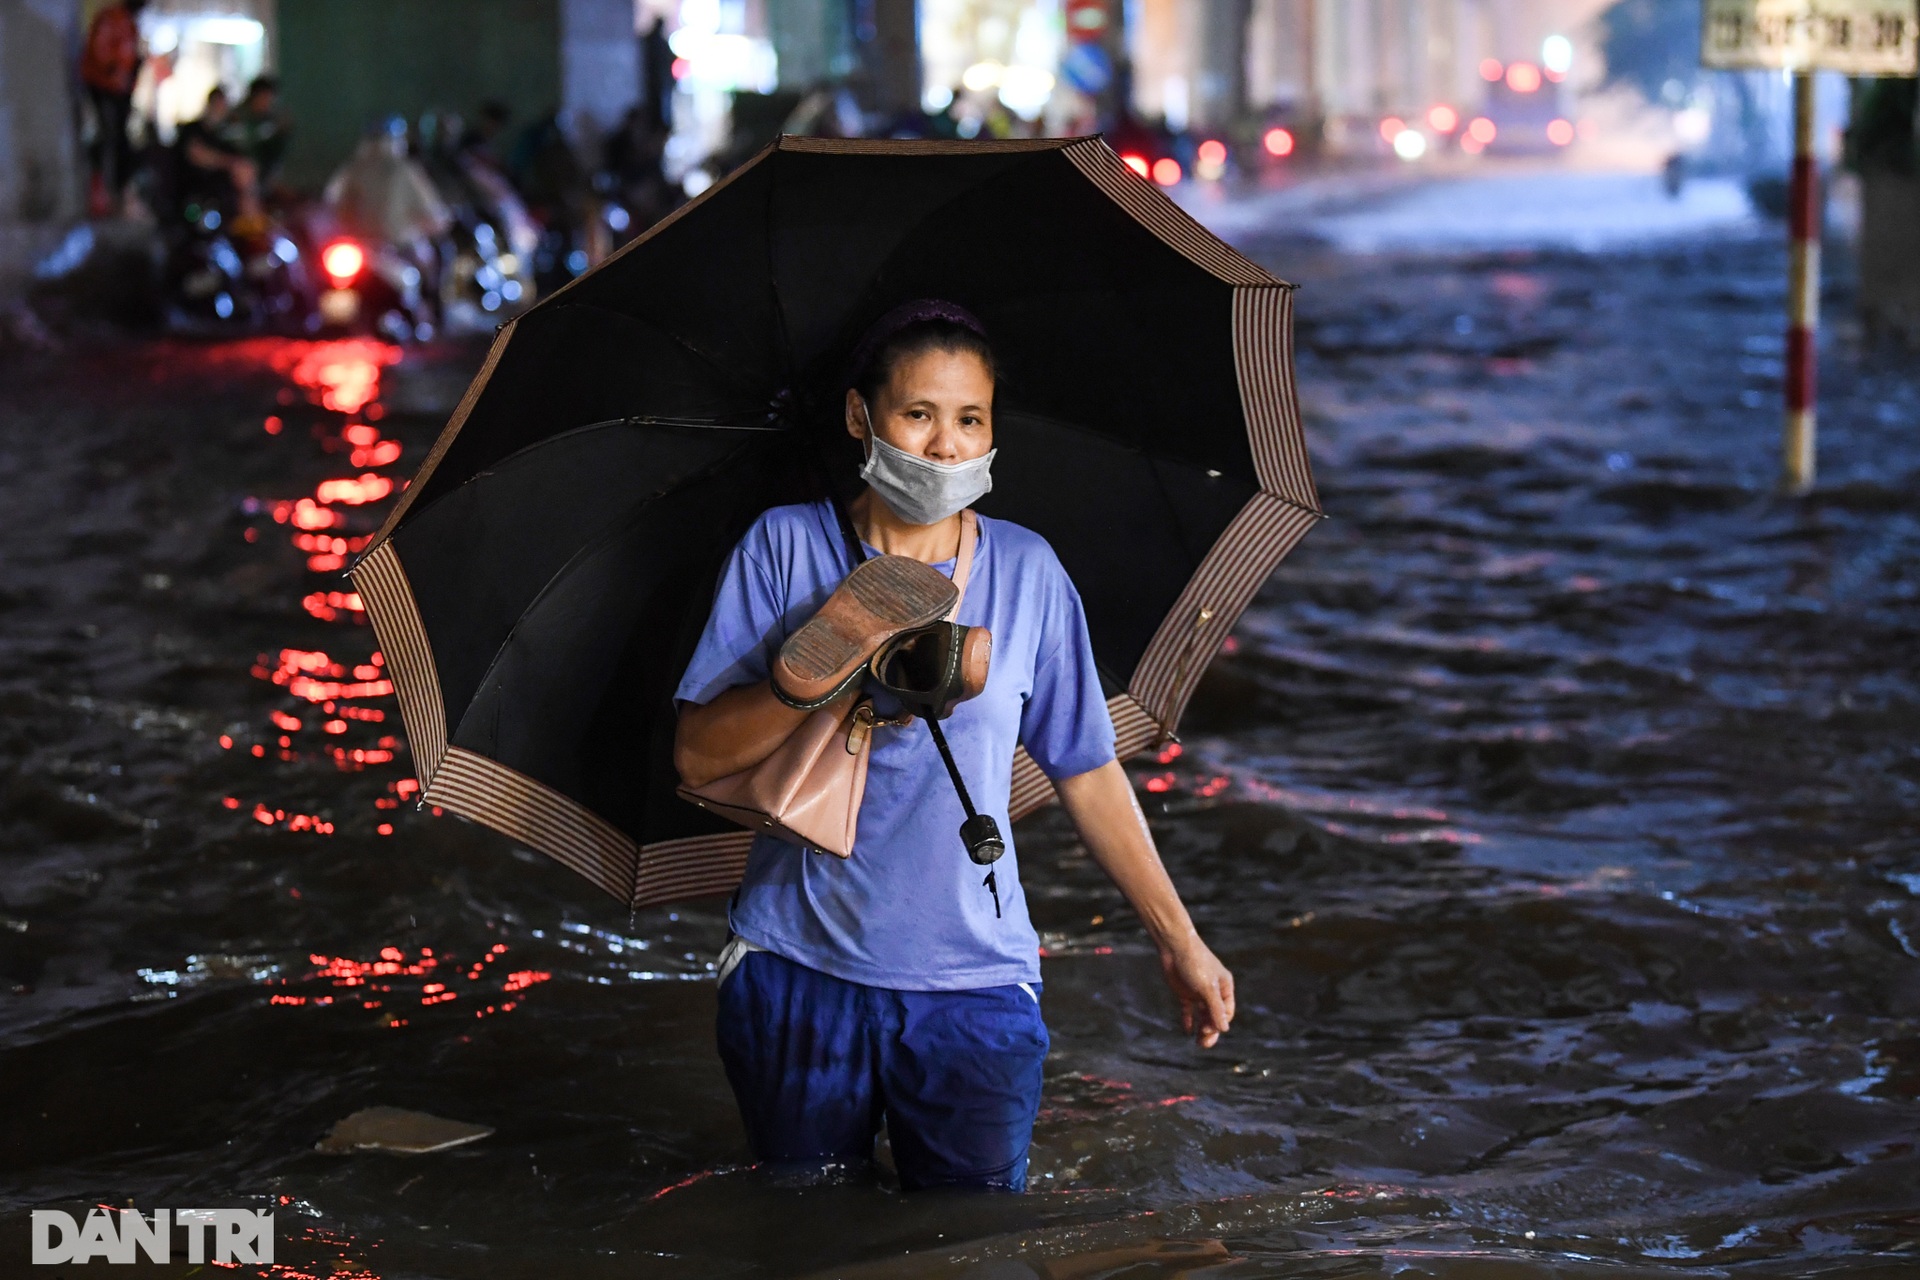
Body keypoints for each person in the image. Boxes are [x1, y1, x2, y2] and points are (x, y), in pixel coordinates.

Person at [673, 301, 1235, 1192]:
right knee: (803, 1223)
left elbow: (1085, 768)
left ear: (991, 434)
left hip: (976, 978)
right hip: (797, 970)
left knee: (968, 1232)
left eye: (969, 419)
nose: (944, 445)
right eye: (918, 414)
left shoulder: (1028, 572)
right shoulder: (783, 547)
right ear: (863, 418)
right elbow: (698, 759)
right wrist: (826, 666)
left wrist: (1179, 938)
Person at [79, 0, 148, 217]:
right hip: (103, 87)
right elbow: (101, 53)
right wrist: (114, 74)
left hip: (120, 91)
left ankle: (121, 191)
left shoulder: (130, 24)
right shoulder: (112, 18)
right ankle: (101, 189)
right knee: (108, 137)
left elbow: (131, 57)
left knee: (121, 140)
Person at [175, 88, 263, 225]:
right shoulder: (193, 130)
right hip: (195, 195)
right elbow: (198, 156)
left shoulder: (222, 137)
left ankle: (252, 225)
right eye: (218, 105)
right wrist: (230, 164)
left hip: (221, 199)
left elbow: (244, 165)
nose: (220, 110)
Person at [223, 75, 291, 192]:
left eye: (270, 99)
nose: (267, 103)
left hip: (262, 184)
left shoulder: (272, 122)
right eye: (264, 98)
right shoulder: (236, 118)